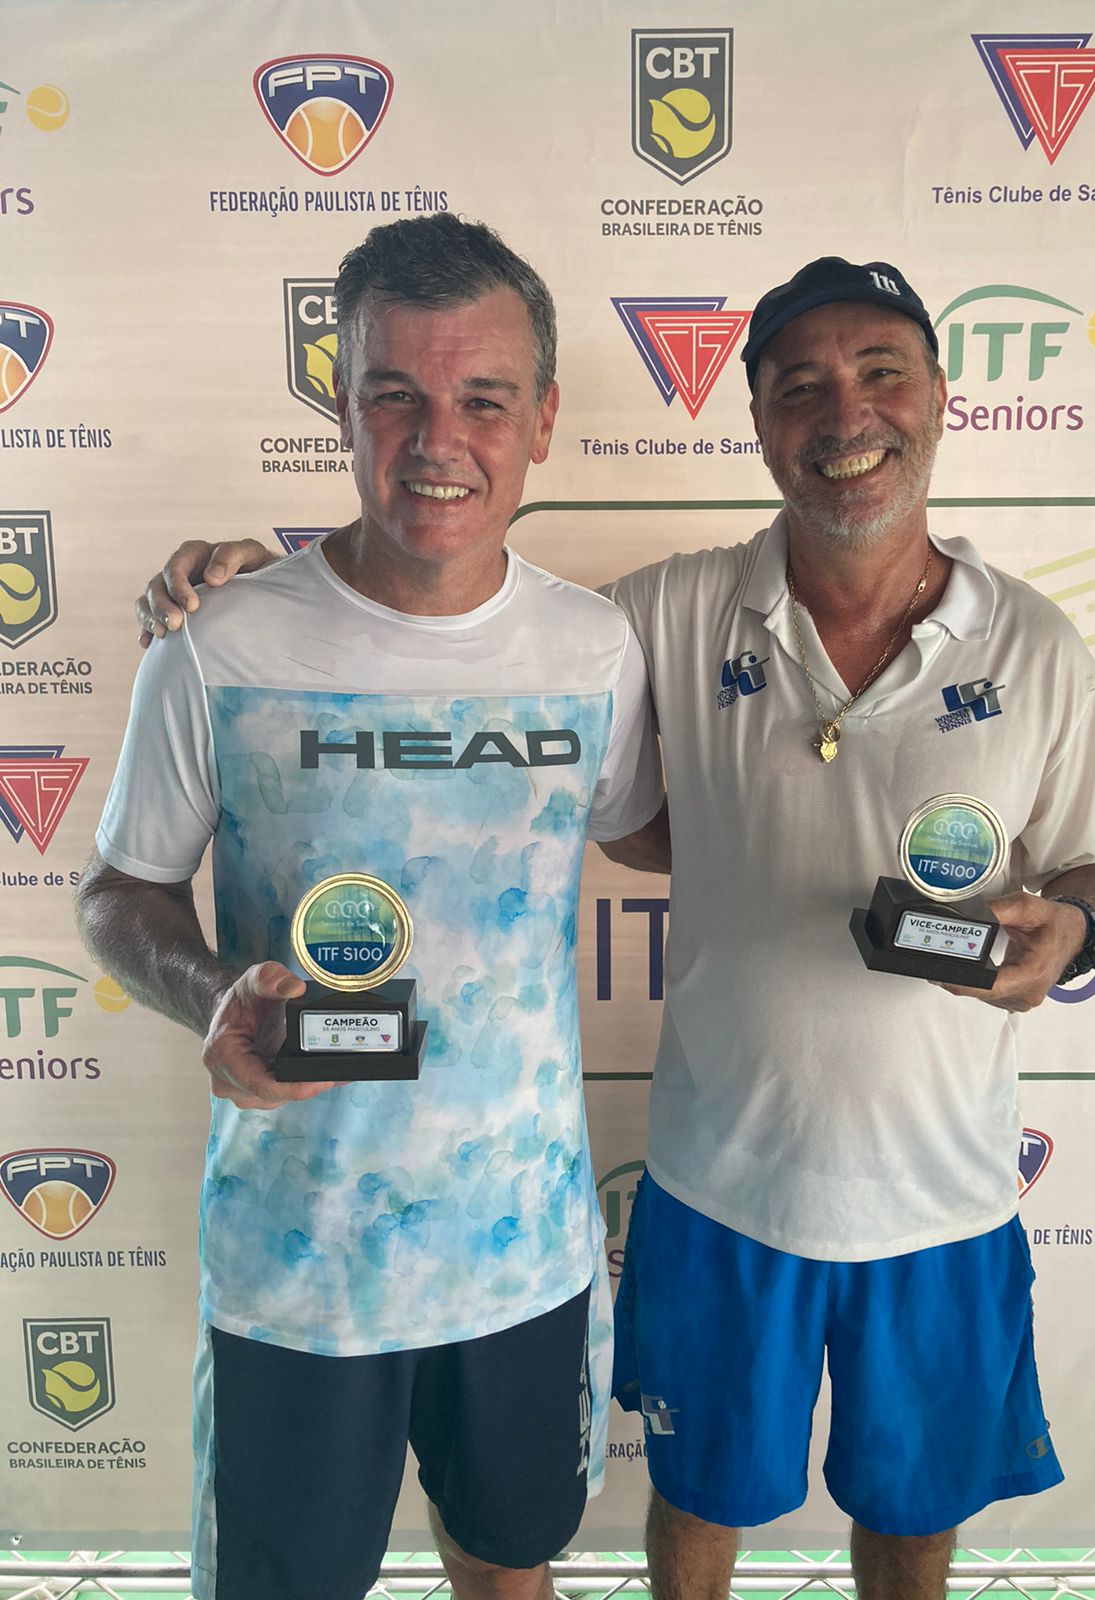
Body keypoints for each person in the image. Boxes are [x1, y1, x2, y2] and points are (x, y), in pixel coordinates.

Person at [135, 256, 1095, 1600]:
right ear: (758, 421)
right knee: (695, 1516)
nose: (846, 415)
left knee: (912, 1528)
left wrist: (1075, 929)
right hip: (711, 1197)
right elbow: (433, 614)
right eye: (800, 387)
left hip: (943, 1201)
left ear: (943, 397)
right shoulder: (656, 616)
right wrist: (268, 589)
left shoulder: (1036, 644)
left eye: (881, 374)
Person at [78, 213, 664, 1600]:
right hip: (300, 1269)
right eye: (394, 394)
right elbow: (118, 894)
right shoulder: (220, 644)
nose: (436, 440)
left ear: (543, 421)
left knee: (509, 1572)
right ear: (340, 405)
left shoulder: (595, 651)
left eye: (484, 399)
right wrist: (210, 993)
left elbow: (671, 838)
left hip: (522, 1260)